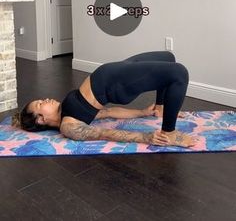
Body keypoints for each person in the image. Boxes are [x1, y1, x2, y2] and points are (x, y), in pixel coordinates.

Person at [12, 51, 196, 147]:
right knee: (179, 73)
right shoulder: (68, 125)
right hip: (119, 83)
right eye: (40, 104)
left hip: (118, 69)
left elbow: (108, 112)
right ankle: (169, 132)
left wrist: (142, 112)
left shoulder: (68, 111)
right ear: (41, 119)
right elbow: (103, 133)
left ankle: (161, 107)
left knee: (168, 58)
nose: (45, 99)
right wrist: (146, 137)